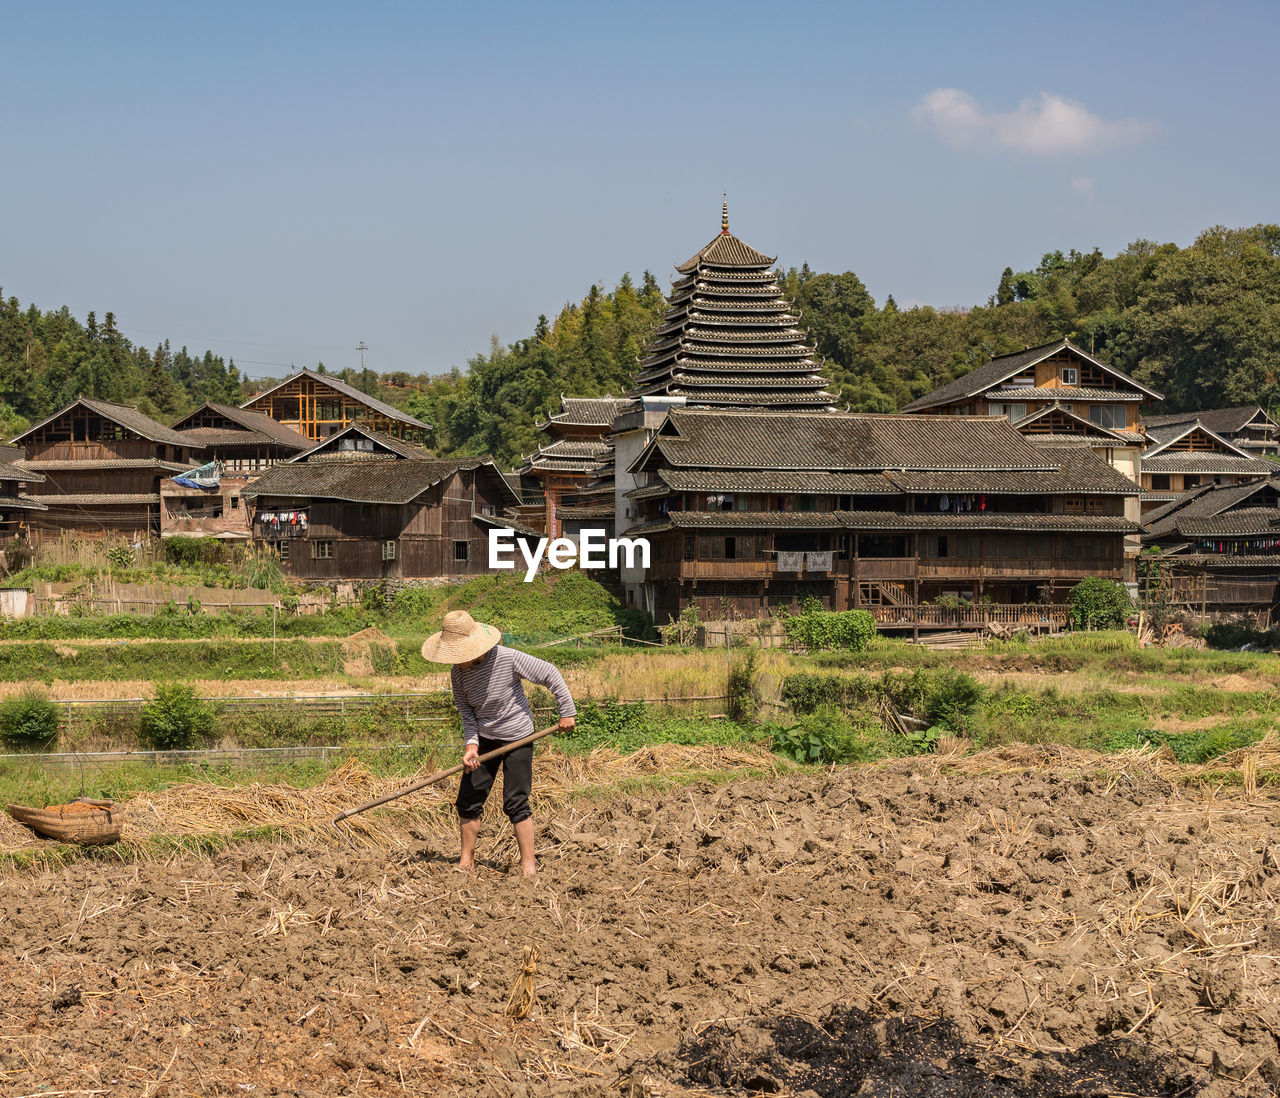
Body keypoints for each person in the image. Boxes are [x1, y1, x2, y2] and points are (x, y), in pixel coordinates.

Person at [422, 610, 575, 876]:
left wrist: (567, 711)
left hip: (519, 737)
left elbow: (549, 673)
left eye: (460, 655)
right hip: (484, 740)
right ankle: (466, 861)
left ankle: (528, 865)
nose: (457, 661)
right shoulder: (458, 675)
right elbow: (467, 712)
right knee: (468, 800)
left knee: (515, 802)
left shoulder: (507, 658)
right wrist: (471, 745)